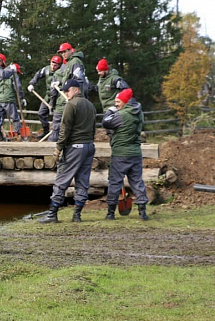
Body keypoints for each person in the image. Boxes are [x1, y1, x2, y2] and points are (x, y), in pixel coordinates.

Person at [38, 79, 96, 223]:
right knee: (83, 181)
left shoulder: (71, 105)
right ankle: (77, 215)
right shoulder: (91, 105)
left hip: (74, 147)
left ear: (76, 90)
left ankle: (52, 214)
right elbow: (93, 128)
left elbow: (64, 129)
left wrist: (58, 148)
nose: (65, 93)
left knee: (62, 179)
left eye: (68, 90)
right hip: (89, 146)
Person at [102, 88, 149, 221]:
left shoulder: (122, 115)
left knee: (115, 182)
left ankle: (110, 213)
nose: (116, 104)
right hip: (135, 153)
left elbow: (106, 122)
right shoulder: (139, 113)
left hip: (120, 154)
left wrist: (110, 111)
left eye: (118, 102)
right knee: (137, 182)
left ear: (125, 101)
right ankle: (142, 212)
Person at [47, 42, 86, 142]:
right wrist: (60, 82)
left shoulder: (75, 62)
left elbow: (78, 81)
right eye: (61, 52)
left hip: (69, 99)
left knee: (60, 125)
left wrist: (73, 98)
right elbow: (69, 79)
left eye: (65, 51)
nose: (63, 54)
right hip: (65, 98)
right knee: (59, 125)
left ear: (70, 51)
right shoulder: (69, 63)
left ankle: (53, 148)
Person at [27, 55, 63, 138]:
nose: (53, 67)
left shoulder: (61, 72)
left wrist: (60, 82)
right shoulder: (46, 69)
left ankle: (57, 134)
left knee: (57, 116)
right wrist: (32, 83)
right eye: (52, 64)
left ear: (59, 65)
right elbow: (38, 75)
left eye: (55, 65)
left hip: (58, 97)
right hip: (48, 96)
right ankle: (46, 131)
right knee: (41, 113)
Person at [0, 63, 26, 139]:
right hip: (8, 99)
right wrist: (21, 98)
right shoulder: (13, 74)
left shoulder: (1, 72)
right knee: (15, 118)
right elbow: (18, 87)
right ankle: (19, 134)